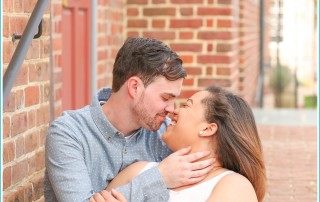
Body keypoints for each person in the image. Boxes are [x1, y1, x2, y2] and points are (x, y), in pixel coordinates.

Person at [44, 37, 215, 202]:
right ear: (135, 87)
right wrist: (160, 177)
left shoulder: (166, 135)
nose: (171, 109)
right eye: (165, 98)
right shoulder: (68, 133)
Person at [90, 85, 266, 202]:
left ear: (208, 129)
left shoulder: (233, 186)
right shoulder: (137, 171)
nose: (174, 111)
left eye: (186, 106)